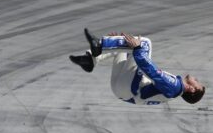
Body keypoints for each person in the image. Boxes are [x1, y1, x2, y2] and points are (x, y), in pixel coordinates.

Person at [70, 28, 205, 105]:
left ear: (192, 89)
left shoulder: (175, 86)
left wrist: (137, 47)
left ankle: (100, 45)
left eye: (197, 83)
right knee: (127, 48)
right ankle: (90, 60)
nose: (196, 79)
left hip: (130, 88)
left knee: (145, 43)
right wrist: (122, 43)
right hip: (123, 91)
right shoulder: (173, 89)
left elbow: (152, 72)